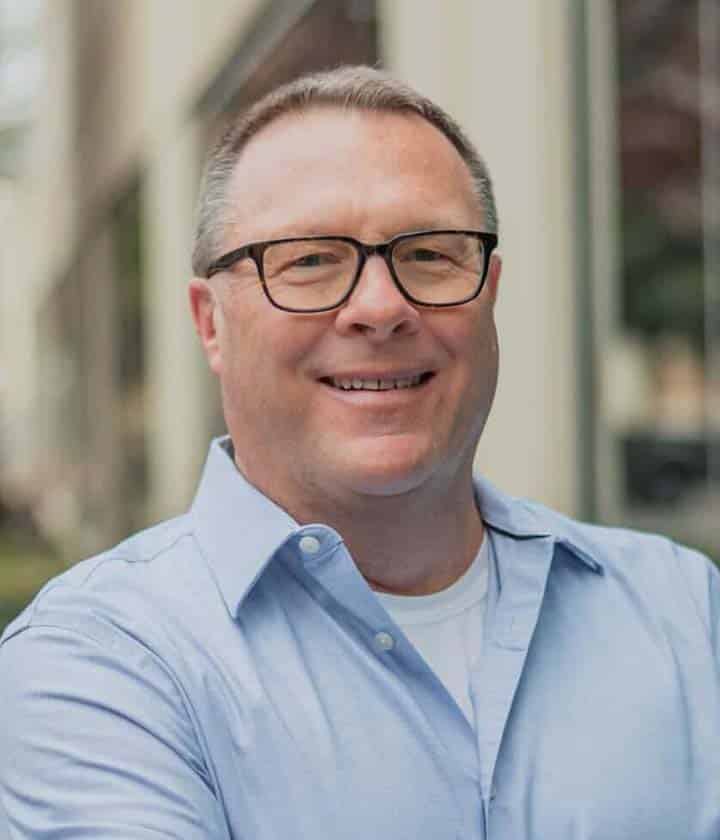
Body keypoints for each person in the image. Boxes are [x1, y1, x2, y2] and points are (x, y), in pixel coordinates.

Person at [1, 65, 718, 840]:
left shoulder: (683, 612)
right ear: (210, 323)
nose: (381, 307)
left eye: (431, 255)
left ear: (490, 293)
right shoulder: (99, 668)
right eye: (309, 260)